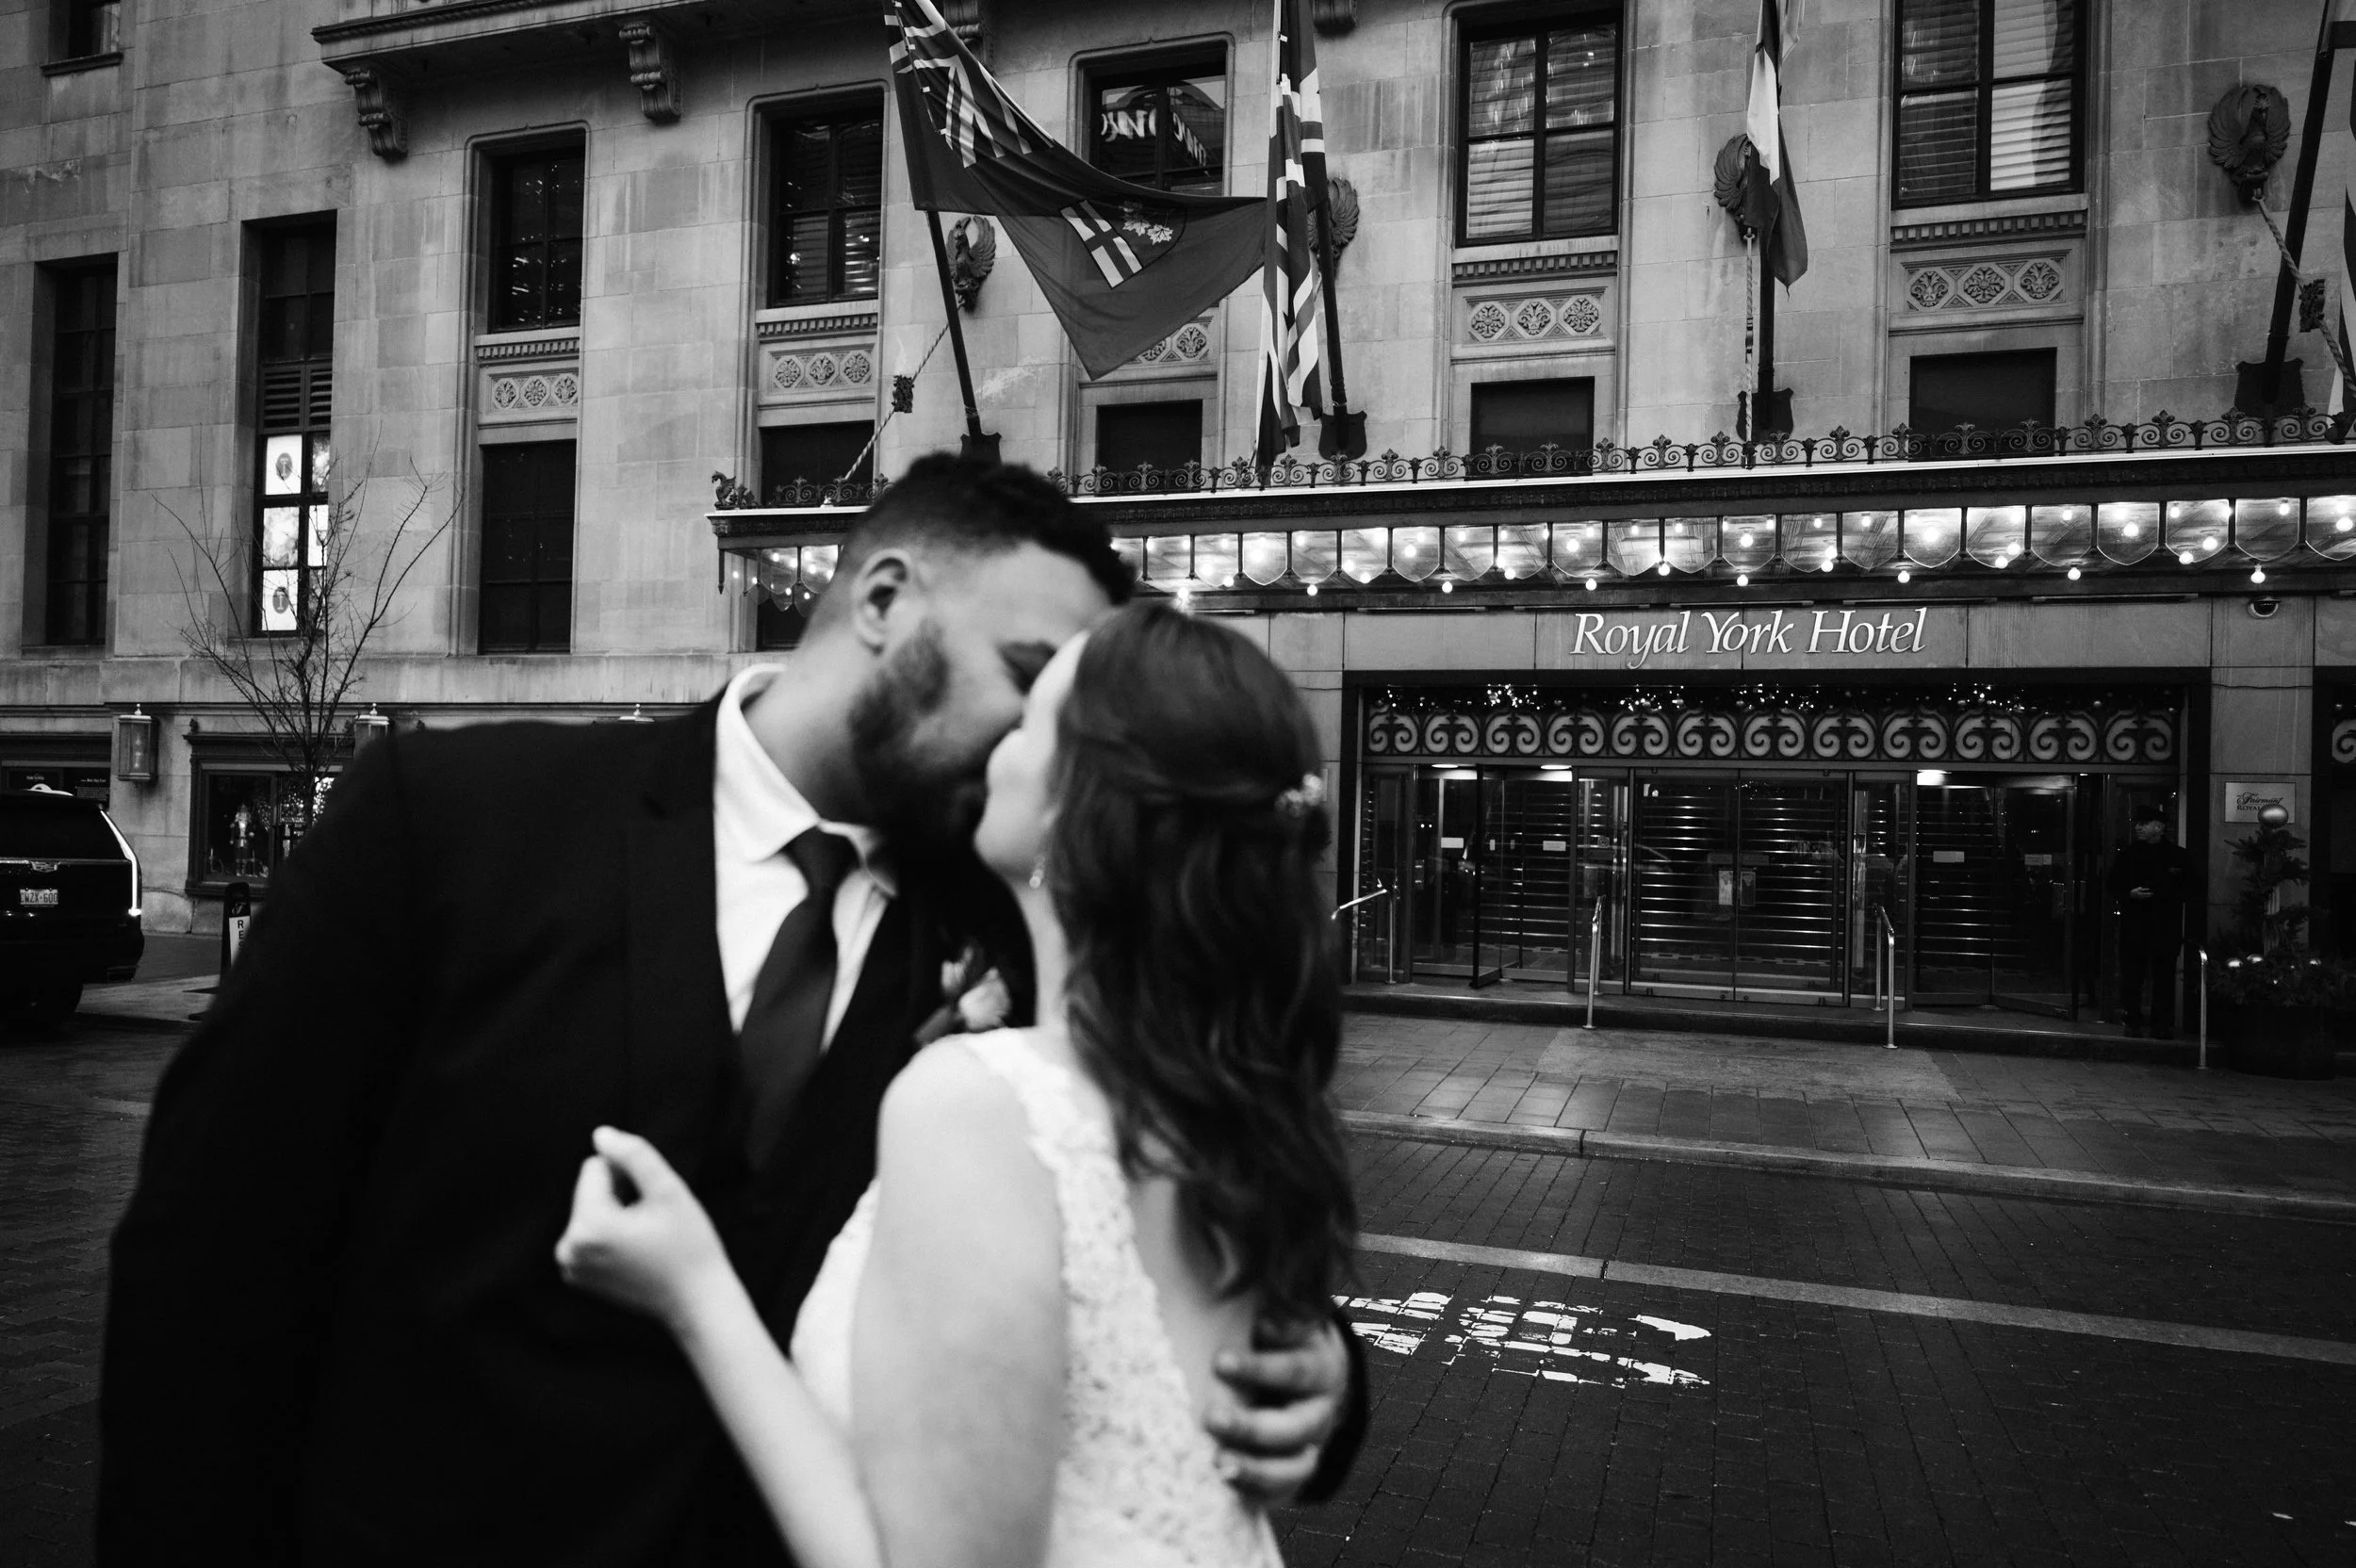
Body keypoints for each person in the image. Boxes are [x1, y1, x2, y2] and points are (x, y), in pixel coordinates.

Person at [96, 456, 1362, 1566]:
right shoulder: (451, 821)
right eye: (1027, 677)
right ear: (882, 602)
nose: (1044, 735)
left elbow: (1167, 1192)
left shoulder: (1032, 921)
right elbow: (215, 1269)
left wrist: (1322, 1378)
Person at [557, 600, 1353, 1568]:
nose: (996, 742)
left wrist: (695, 1293)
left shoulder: (982, 1101)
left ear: (1071, 800)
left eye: (1030, 720)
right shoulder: (1236, 1106)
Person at [2110, 804, 2191, 1039]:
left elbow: (2191, 888)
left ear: (2160, 827)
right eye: (2138, 824)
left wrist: (2166, 895)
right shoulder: (2128, 854)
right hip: (2135, 926)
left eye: (2144, 824)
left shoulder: (2178, 856)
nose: (2138, 827)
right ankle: (2132, 1019)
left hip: (2165, 926)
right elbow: (2112, 884)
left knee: (2164, 977)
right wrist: (2129, 894)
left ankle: (2161, 1023)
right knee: (2133, 976)